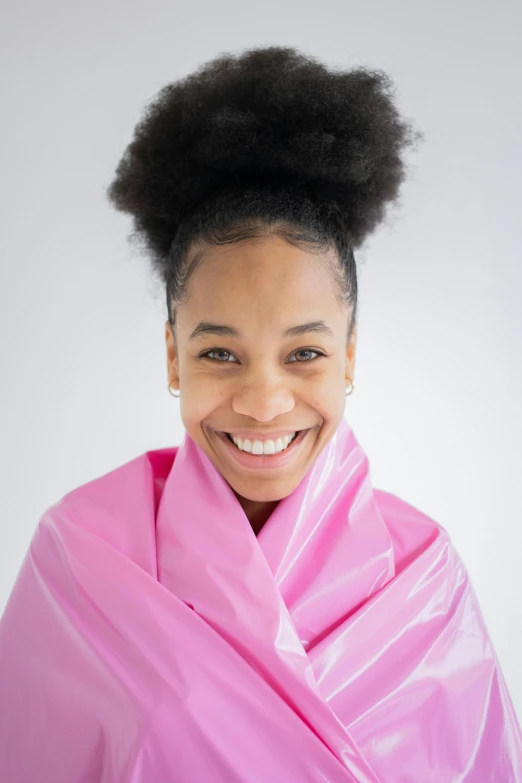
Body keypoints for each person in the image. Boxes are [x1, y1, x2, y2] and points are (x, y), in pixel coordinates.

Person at [0, 45, 521, 783]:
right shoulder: (80, 557)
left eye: (303, 354)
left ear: (349, 356)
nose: (264, 401)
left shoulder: (424, 578)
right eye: (220, 354)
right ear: (174, 357)